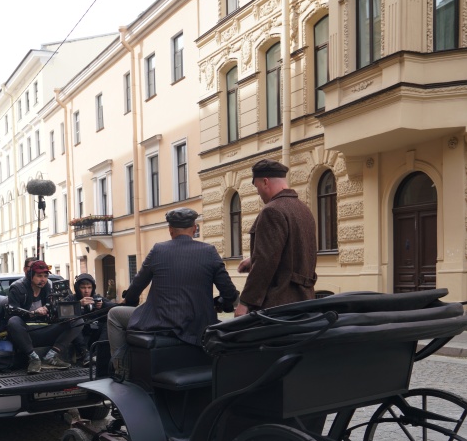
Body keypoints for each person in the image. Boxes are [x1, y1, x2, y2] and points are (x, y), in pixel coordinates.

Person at [108, 208, 238, 372]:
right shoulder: (209, 251)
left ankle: (121, 370)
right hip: (199, 326)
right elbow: (230, 293)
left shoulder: (158, 250)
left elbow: (138, 284)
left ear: (170, 230)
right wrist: (223, 304)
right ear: (195, 228)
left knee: (114, 315)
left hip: (161, 323)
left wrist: (130, 300)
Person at [235, 159, 319, 317]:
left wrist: (245, 303)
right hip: (305, 302)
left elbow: (265, 263)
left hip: (278, 308)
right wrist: (253, 259)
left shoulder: (271, 211)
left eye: (257, 186)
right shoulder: (304, 209)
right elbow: (292, 253)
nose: (258, 193)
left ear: (265, 182)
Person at [6, 261, 80, 373]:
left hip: (46, 329)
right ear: (30, 275)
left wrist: (63, 315)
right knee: (13, 321)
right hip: (26, 333)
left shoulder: (49, 287)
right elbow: (11, 313)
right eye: (39, 276)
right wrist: (33, 312)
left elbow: (56, 313)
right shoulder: (17, 288)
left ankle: (51, 356)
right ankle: (34, 358)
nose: (43, 279)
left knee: (78, 320)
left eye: (45, 276)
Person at [65, 273, 111, 366]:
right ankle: (84, 354)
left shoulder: (97, 298)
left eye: (89, 287)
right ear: (78, 288)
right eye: (83, 288)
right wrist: (78, 305)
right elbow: (63, 312)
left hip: (95, 332)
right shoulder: (71, 298)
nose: (86, 291)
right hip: (79, 333)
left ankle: (98, 353)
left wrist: (103, 305)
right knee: (74, 322)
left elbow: (115, 308)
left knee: (110, 322)